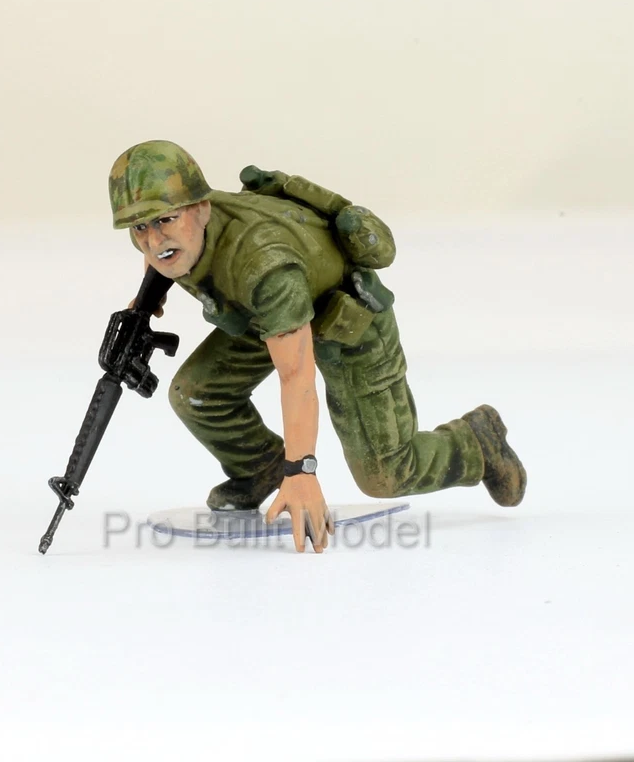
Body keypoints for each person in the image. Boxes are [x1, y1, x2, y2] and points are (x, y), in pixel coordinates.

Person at [109, 140, 526, 553]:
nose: (153, 240)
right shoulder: (180, 231)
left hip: (349, 324)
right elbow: (160, 254)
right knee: (197, 393)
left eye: (165, 220)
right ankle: (260, 467)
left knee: (386, 473)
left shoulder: (264, 263)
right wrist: (143, 304)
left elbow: (296, 375)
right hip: (269, 315)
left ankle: (476, 443)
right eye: (140, 227)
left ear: (201, 209)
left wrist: (301, 473)